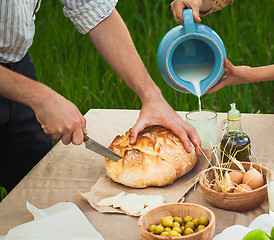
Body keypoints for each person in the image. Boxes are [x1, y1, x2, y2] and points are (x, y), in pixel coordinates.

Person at [0, 0, 200, 192]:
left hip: (17, 68)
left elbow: (93, 8)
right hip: (25, 89)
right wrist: (41, 97)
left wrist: (151, 95)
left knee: (32, 187)